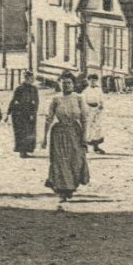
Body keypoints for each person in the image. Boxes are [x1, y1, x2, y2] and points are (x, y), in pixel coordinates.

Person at [41, 76, 90, 204]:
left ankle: (71, 186)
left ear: (73, 85)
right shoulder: (56, 99)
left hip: (75, 132)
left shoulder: (79, 98)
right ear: (60, 84)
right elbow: (49, 118)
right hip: (59, 134)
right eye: (64, 83)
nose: (66, 85)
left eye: (69, 83)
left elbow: (84, 119)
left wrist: (84, 137)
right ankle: (63, 190)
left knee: (76, 160)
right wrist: (44, 138)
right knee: (60, 161)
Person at [9, 72, 40, 157]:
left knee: (30, 131)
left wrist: (34, 112)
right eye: (31, 78)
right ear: (27, 79)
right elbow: (13, 100)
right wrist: (9, 112)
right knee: (21, 131)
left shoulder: (34, 89)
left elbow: (36, 102)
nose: (33, 80)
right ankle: (22, 151)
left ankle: (27, 150)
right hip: (19, 112)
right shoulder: (19, 88)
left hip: (30, 112)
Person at [81, 73, 106, 152]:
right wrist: (88, 108)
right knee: (88, 127)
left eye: (95, 81)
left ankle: (96, 146)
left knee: (97, 127)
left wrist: (101, 105)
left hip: (97, 110)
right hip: (89, 110)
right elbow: (84, 102)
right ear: (88, 81)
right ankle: (85, 146)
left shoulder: (99, 89)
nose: (93, 82)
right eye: (91, 81)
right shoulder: (85, 91)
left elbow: (101, 99)